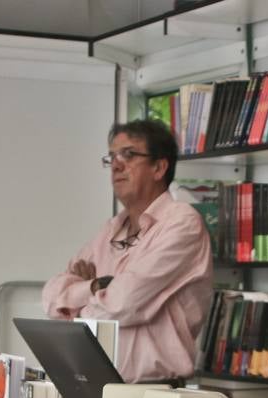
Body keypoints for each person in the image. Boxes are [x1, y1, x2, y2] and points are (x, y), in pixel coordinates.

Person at [42, 119, 213, 384]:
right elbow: (51, 298)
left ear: (159, 167)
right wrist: (94, 287)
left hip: (154, 393)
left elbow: (123, 303)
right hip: (98, 386)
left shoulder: (181, 223)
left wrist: (76, 308)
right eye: (112, 157)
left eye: (129, 155)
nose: (117, 165)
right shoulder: (111, 230)